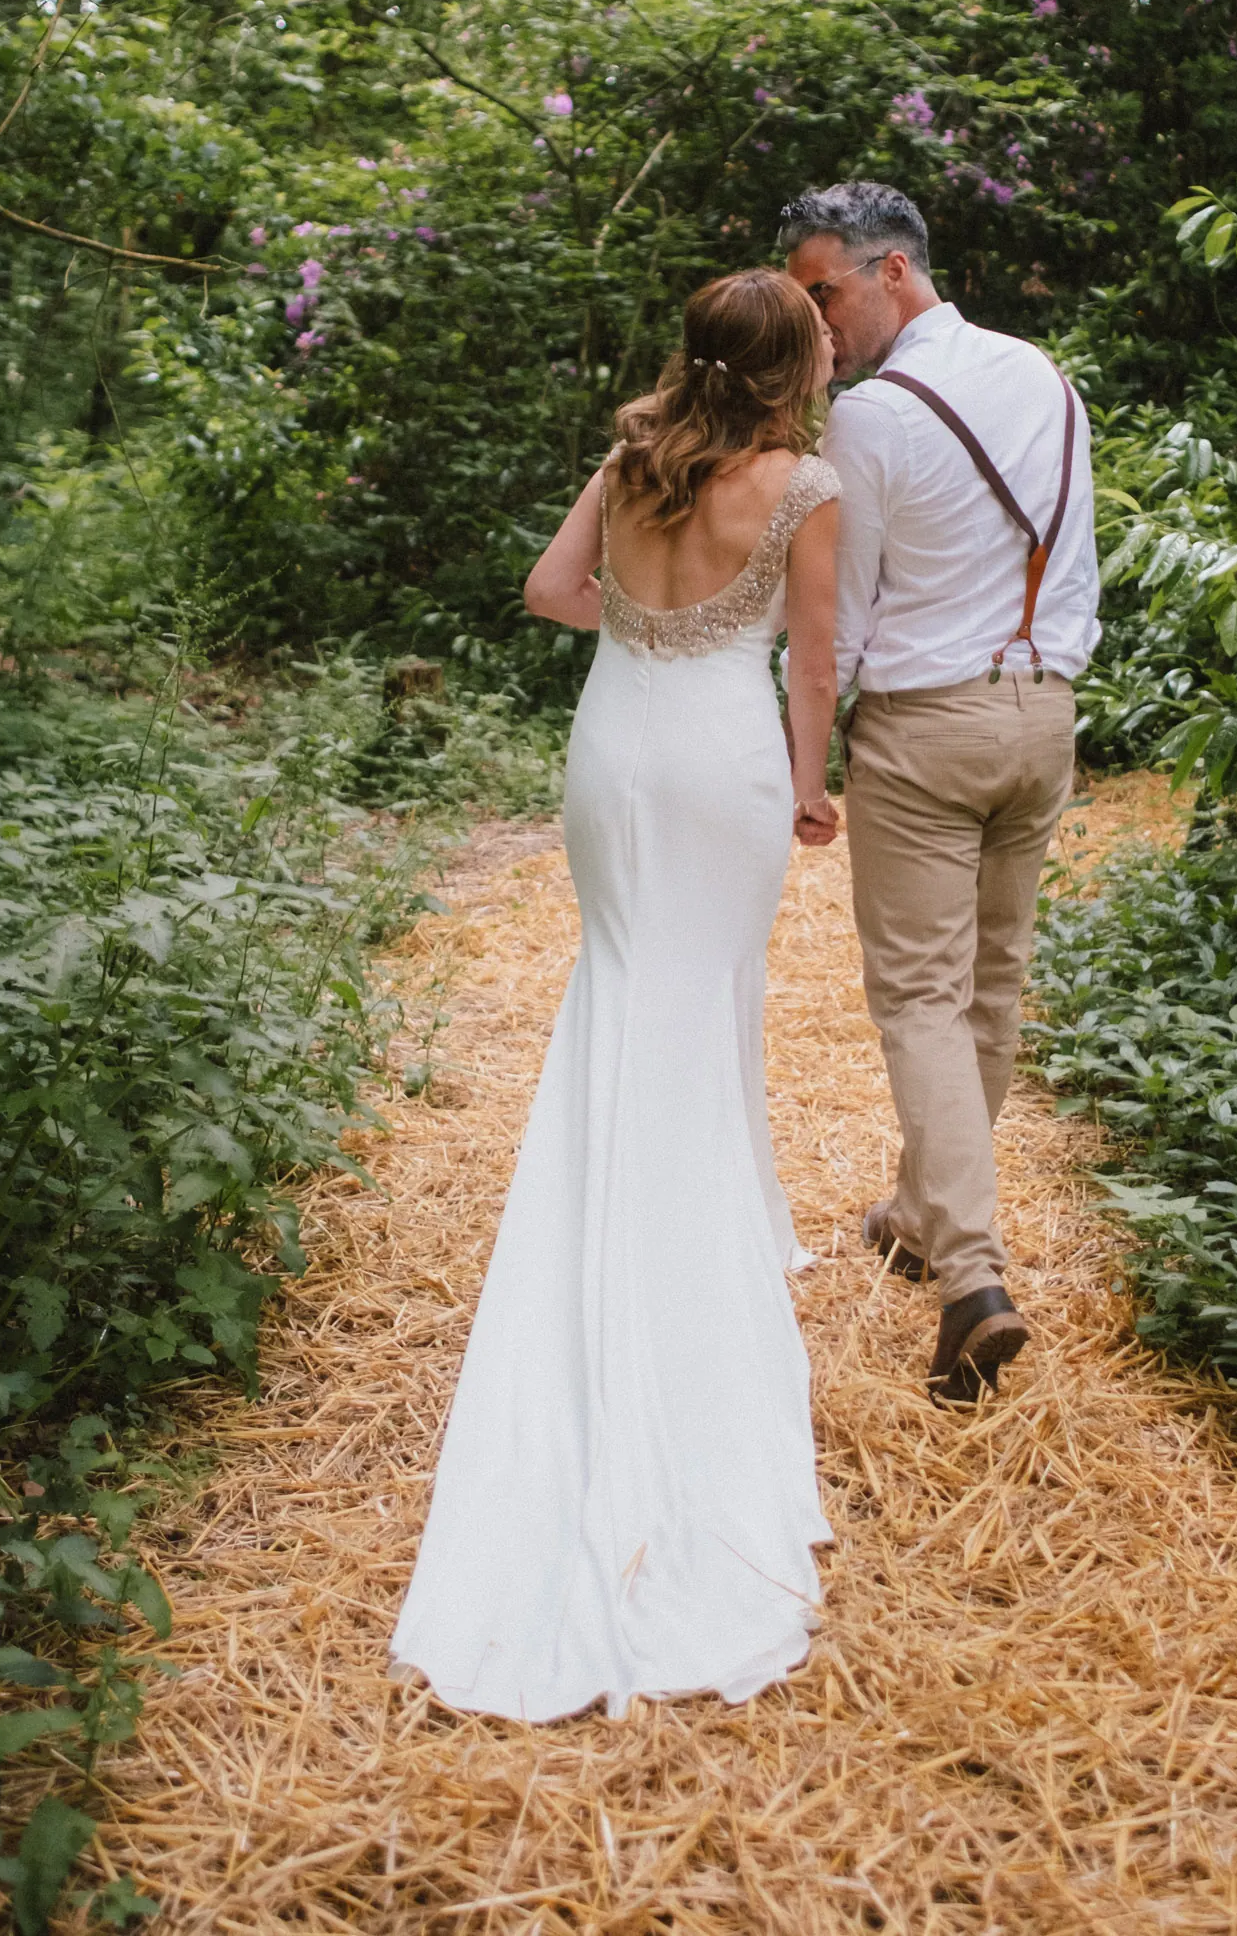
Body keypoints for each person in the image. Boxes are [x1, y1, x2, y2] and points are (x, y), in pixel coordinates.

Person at [390, 269, 840, 1721]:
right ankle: (683, 1271)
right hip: (717, 761)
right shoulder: (802, 483)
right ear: (793, 361)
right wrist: (809, 788)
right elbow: (814, 668)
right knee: (701, 997)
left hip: (612, 748)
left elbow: (547, 592)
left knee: (626, 986)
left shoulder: (634, 446)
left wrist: (645, 635)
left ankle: (621, 1226)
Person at [781, 182, 1099, 1405]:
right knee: (993, 983)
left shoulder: (867, 419)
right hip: (1045, 713)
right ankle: (919, 1212)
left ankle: (968, 1276)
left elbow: (842, 618)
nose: (817, 325)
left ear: (894, 270)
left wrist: (802, 752)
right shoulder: (1046, 378)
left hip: (926, 725)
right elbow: (1072, 560)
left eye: (825, 294)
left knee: (918, 993)